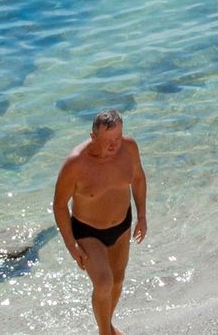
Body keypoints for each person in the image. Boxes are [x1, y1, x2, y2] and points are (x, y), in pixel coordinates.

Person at [52, 110, 147, 335]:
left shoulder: (129, 148)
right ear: (93, 137)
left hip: (122, 224)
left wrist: (142, 216)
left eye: (118, 138)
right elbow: (59, 205)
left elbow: (139, 179)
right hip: (88, 231)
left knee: (117, 281)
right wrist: (70, 244)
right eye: (108, 141)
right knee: (103, 282)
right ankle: (105, 333)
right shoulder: (76, 163)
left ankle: (107, 327)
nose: (115, 146)